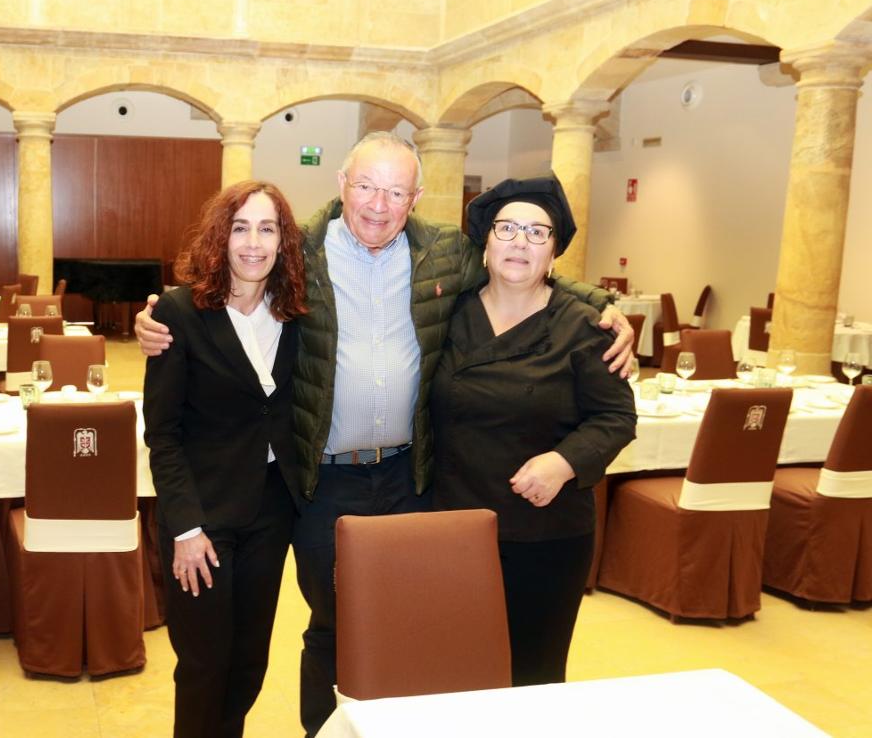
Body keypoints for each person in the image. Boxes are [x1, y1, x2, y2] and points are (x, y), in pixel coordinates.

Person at [137, 132, 636, 736]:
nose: (379, 204)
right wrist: (160, 312)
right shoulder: (299, 248)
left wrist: (604, 304)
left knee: (407, 621)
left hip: (410, 477)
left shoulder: (445, 252)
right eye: (367, 186)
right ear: (342, 184)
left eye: (396, 191)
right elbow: (229, 271)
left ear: (416, 198)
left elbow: (521, 266)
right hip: (326, 479)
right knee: (332, 625)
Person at [431, 175, 637, 687]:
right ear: (485, 244)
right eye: (506, 229)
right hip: (452, 523)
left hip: (544, 535)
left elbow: (617, 417)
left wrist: (564, 462)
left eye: (537, 233)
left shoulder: (587, 327)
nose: (519, 241)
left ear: (553, 253)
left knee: (531, 679)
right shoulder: (447, 314)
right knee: (453, 671)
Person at [143, 180, 307, 738]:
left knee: (249, 662)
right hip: (202, 517)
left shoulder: (295, 313)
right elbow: (162, 433)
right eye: (241, 228)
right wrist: (185, 527)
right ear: (221, 236)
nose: (254, 243)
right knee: (204, 665)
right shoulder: (179, 312)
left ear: (284, 241)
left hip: (270, 511)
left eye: (268, 229)